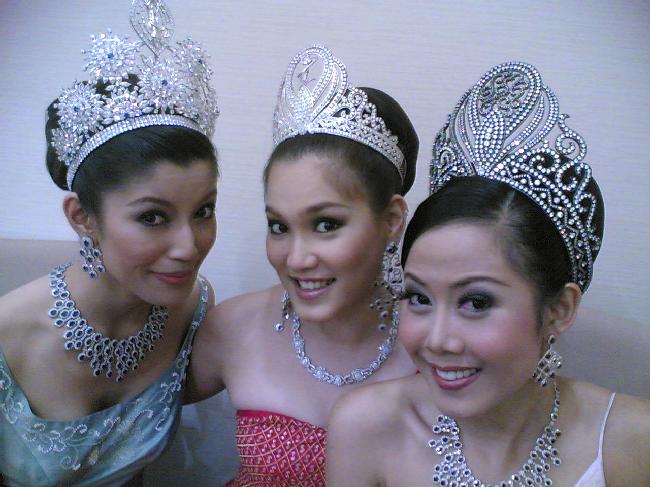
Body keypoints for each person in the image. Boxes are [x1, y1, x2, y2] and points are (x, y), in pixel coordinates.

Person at [327, 61, 650, 486]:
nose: (437, 340)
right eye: (419, 298)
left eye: (476, 302)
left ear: (559, 309)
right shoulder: (366, 428)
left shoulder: (630, 441)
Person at [0, 1, 220, 485]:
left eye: (203, 210)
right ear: (83, 217)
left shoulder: (193, 306)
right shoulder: (7, 334)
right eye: (153, 217)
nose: (189, 247)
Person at [187, 44, 419, 486]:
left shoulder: (438, 345)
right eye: (279, 226)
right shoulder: (233, 328)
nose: (296, 258)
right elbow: (130, 413)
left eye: (326, 224)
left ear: (392, 220)